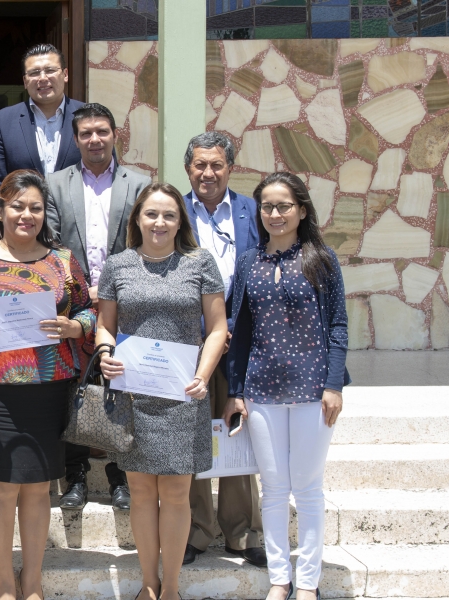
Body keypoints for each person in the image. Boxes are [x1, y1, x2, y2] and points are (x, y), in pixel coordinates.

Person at [0, 169, 93, 600]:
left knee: (39, 485)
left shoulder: (62, 261)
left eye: (35, 207)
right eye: (17, 206)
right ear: (2, 210)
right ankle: (3, 578)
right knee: (3, 485)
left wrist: (72, 326)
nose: (26, 215)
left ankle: (32, 578)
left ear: (44, 213)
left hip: (48, 390)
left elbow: (88, 311)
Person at [95, 182, 229, 600]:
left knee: (174, 493)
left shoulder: (200, 262)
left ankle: (170, 586)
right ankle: (148, 583)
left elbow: (218, 328)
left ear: (180, 222)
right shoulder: (117, 266)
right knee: (139, 491)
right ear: (137, 218)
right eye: (151, 214)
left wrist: (203, 376)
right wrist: (104, 353)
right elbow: (104, 325)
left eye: (169, 215)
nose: (159, 222)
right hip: (133, 395)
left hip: (183, 395)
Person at [223, 172, 349, 600]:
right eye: (266, 207)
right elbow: (238, 332)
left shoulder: (322, 259)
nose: (274, 214)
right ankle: (280, 578)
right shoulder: (249, 262)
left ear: (302, 210)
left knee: (308, 488)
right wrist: (234, 390)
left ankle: (308, 583)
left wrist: (334, 384)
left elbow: (338, 326)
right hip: (261, 390)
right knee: (274, 489)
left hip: (314, 390)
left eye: (283, 206)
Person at [44, 102, 150, 511]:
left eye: (102, 131)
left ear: (114, 134)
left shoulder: (138, 183)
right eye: (86, 133)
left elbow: (144, 241)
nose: (94, 139)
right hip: (73, 303)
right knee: (75, 387)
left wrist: (110, 289)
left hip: (124, 303)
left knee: (119, 385)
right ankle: (76, 477)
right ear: (76, 139)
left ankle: (120, 475)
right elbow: (52, 240)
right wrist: (81, 288)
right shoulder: (54, 184)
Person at [179, 131, 265, 568]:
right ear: (187, 168)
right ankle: (197, 528)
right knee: (195, 435)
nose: (208, 173)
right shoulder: (173, 210)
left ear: (230, 167)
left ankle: (240, 531)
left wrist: (230, 327)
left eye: (216, 165)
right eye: (199, 165)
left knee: (236, 431)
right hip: (188, 341)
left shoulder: (253, 210)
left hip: (242, 341)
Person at [0, 44, 83, 190]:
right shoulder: (2, 122)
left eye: (50, 70)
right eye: (34, 73)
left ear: (65, 74)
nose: (43, 78)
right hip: (24, 212)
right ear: (25, 81)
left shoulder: (88, 116)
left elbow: (106, 171)